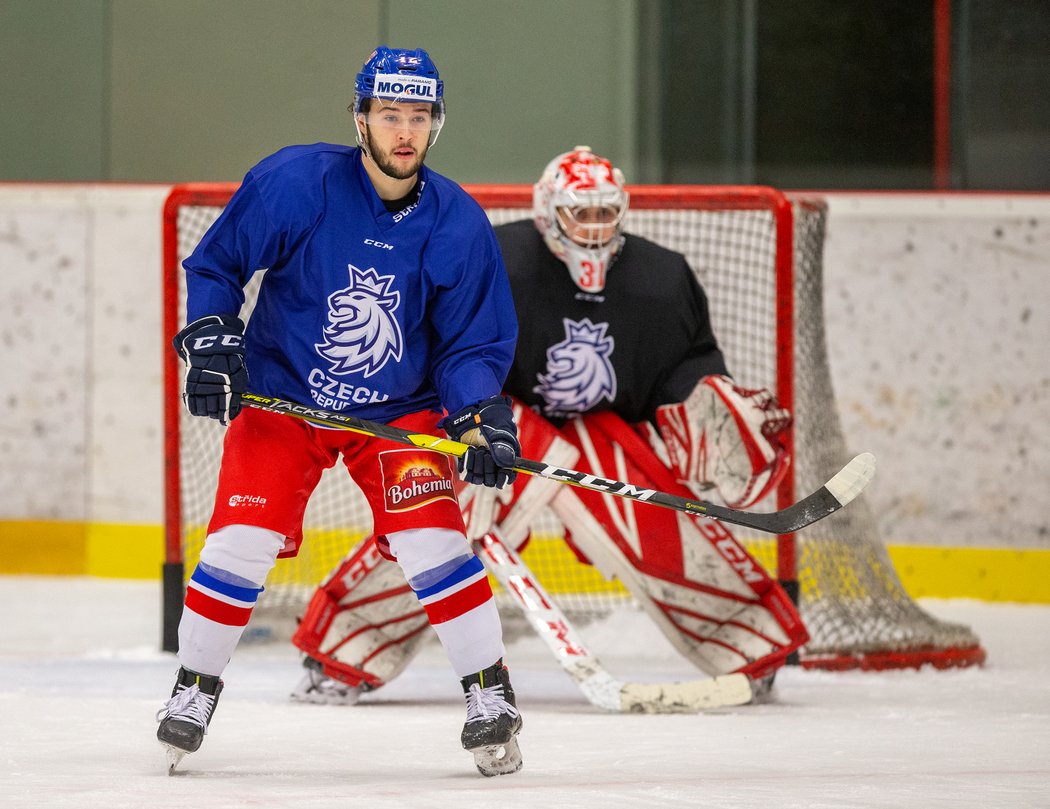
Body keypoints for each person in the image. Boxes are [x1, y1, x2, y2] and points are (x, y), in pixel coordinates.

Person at [289, 147, 807, 706]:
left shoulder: (662, 280)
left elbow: (685, 364)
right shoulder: (497, 260)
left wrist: (709, 404)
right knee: (433, 520)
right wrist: (457, 427)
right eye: (579, 213)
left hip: (600, 431)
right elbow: (444, 349)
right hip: (494, 427)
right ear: (547, 212)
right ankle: (340, 650)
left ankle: (752, 645)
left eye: (605, 213)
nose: (593, 227)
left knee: (655, 519)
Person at [157, 46, 525, 778]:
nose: (403, 132)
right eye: (389, 114)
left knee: (434, 546)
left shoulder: (457, 224)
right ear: (360, 118)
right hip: (282, 396)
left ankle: (490, 693)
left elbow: (470, 344)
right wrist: (210, 338)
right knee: (238, 541)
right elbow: (218, 264)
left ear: (434, 126)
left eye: (418, 117)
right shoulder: (296, 183)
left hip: (397, 411)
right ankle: (193, 688)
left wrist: (479, 412)